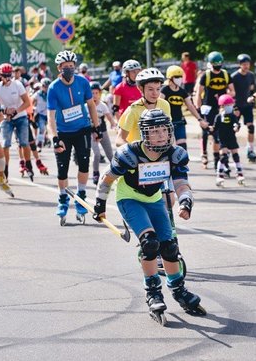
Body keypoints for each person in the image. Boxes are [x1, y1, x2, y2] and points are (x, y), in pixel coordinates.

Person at [93, 109, 205, 323]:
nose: (161, 135)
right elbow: (107, 178)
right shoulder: (130, 154)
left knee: (170, 247)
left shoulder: (175, 154)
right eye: (155, 131)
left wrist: (186, 200)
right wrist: (100, 204)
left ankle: (178, 289)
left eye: (164, 129)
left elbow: (181, 183)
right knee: (150, 243)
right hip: (130, 198)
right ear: (144, 133)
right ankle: (153, 291)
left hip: (154, 200)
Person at [47, 50, 101, 225]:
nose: (69, 69)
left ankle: (81, 195)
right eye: (65, 67)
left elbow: (91, 105)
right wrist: (54, 138)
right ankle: (63, 198)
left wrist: (96, 127)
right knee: (62, 168)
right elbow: (50, 117)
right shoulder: (53, 88)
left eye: (72, 66)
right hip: (63, 132)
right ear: (59, 68)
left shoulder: (83, 82)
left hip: (82, 129)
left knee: (84, 163)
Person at [0, 63, 32, 178]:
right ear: (0, 76)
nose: (8, 78)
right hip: (6, 118)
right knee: (5, 145)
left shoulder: (17, 84)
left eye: (10, 75)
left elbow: (27, 102)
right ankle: (6, 169)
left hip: (20, 116)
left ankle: (28, 164)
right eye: (5, 76)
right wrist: (4, 112)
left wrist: (15, 111)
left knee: (24, 142)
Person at [195, 51, 235, 170]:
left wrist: (226, 96)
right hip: (208, 106)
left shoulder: (226, 74)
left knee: (219, 133)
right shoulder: (206, 76)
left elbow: (233, 91)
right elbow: (199, 93)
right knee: (206, 131)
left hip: (221, 107)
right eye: (215, 62)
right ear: (211, 63)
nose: (218, 64)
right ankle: (204, 153)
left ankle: (218, 159)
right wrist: (198, 110)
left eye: (219, 62)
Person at [117, 68, 171, 146]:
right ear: (141, 89)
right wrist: (133, 150)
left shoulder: (165, 104)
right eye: (150, 89)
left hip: (159, 152)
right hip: (138, 155)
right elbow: (119, 140)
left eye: (158, 89)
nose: (155, 93)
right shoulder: (133, 110)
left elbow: (170, 132)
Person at [160, 65, 208, 151]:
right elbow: (158, 104)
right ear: (170, 78)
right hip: (167, 123)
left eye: (181, 77)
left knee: (182, 146)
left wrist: (200, 119)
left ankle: (181, 164)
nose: (179, 79)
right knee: (168, 148)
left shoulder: (182, 91)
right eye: (177, 77)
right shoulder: (165, 90)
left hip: (179, 122)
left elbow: (190, 106)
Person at [212, 94, 245, 186]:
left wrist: (237, 127)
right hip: (222, 139)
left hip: (231, 138)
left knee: (236, 156)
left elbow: (236, 124)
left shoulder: (232, 116)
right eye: (228, 105)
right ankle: (220, 175)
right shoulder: (218, 117)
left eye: (231, 105)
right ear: (222, 106)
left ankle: (239, 174)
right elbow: (214, 128)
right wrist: (209, 128)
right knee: (223, 157)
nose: (230, 107)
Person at [231, 53, 256, 162]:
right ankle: (229, 148)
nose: (246, 66)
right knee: (234, 128)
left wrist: (252, 99)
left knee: (251, 127)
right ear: (240, 65)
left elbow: (251, 89)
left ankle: (250, 150)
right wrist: (234, 107)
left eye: (247, 64)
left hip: (247, 106)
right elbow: (231, 93)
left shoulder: (251, 75)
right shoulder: (234, 77)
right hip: (237, 106)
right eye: (244, 64)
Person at [89, 81, 116, 185]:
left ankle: (115, 172)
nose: (94, 95)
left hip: (103, 131)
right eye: (92, 93)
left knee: (110, 154)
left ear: (100, 94)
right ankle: (96, 173)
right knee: (96, 154)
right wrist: (93, 132)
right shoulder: (86, 105)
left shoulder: (102, 105)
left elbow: (109, 117)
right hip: (91, 133)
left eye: (96, 93)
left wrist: (114, 125)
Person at [31, 78, 50, 149]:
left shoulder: (51, 94)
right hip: (40, 114)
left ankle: (46, 139)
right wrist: (33, 109)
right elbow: (31, 102)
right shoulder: (38, 94)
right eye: (44, 86)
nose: (46, 88)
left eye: (47, 86)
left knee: (48, 129)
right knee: (41, 128)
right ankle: (39, 144)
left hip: (49, 114)